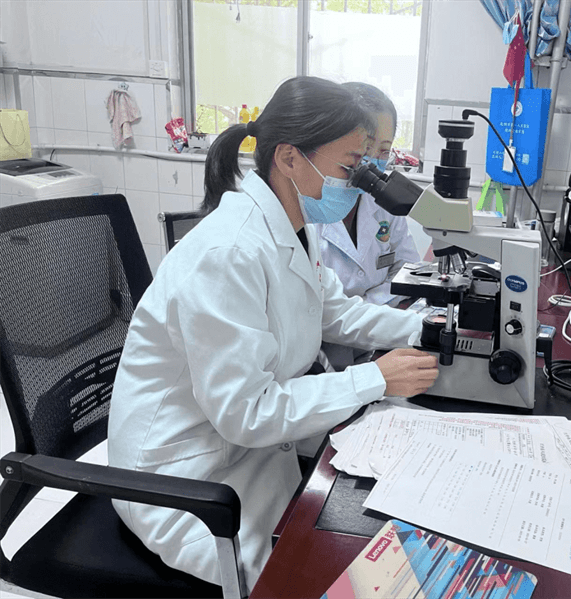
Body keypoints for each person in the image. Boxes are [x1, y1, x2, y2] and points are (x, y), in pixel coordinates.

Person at [107, 76, 438, 593]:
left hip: (245, 453)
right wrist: (374, 379)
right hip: (187, 488)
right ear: (288, 158)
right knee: (322, 576)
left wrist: (428, 328)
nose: (357, 183)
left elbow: (335, 311)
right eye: (350, 167)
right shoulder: (228, 253)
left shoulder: (292, 226)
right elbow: (247, 412)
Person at [317, 83, 421, 369]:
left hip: (373, 337)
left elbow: (409, 268)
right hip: (320, 352)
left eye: (384, 151)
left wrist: (371, 303)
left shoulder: (385, 202)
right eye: (365, 148)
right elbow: (325, 310)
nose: (372, 161)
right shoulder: (311, 205)